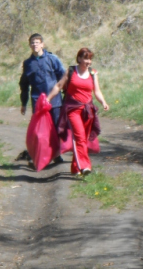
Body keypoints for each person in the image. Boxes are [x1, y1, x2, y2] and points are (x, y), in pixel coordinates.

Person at [47, 47, 109, 175]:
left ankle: (75, 168)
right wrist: (48, 99)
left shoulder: (93, 73)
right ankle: (85, 166)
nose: (88, 62)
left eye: (90, 59)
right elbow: (59, 86)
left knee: (83, 139)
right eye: (86, 58)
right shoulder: (70, 71)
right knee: (79, 137)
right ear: (79, 58)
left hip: (88, 110)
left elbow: (96, 91)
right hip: (72, 109)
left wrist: (103, 102)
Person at [18, 33, 66, 163]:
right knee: (40, 131)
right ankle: (39, 156)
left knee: (56, 129)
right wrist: (24, 103)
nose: (35, 45)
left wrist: (66, 96)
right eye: (32, 43)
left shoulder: (52, 59)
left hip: (55, 101)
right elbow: (24, 84)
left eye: (37, 42)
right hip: (37, 102)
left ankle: (56, 154)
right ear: (29, 45)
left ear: (42, 44)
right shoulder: (28, 63)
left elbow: (63, 77)